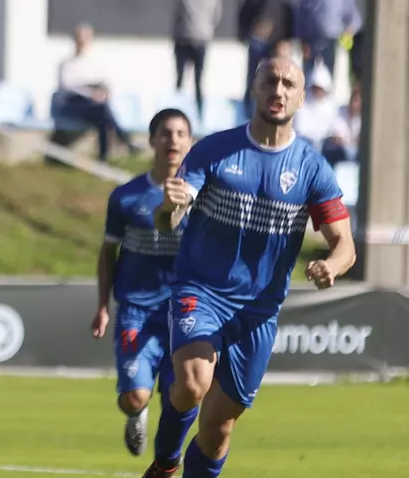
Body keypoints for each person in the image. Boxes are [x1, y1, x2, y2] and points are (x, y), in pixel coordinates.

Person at [144, 57, 355, 478]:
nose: (278, 90)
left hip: (258, 310)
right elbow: (168, 220)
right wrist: (169, 206)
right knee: (192, 383)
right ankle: (165, 465)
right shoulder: (214, 150)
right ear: (255, 88)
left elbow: (344, 245)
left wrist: (332, 266)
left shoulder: (312, 168)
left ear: (301, 97)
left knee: (218, 429)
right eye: (270, 81)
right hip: (201, 290)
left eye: (289, 84)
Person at [91, 109, 195, 460]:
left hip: (184, 313)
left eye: (181, 133)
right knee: (135, 397)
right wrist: (102, 306)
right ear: (152, 140)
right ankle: (137, 414)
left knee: (179, 396)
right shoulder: (126, 197)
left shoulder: (201, 199)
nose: (173, 140)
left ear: (190, 142)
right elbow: (108, 252)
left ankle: (167, 460)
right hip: (136, 310)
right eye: (165, 133)